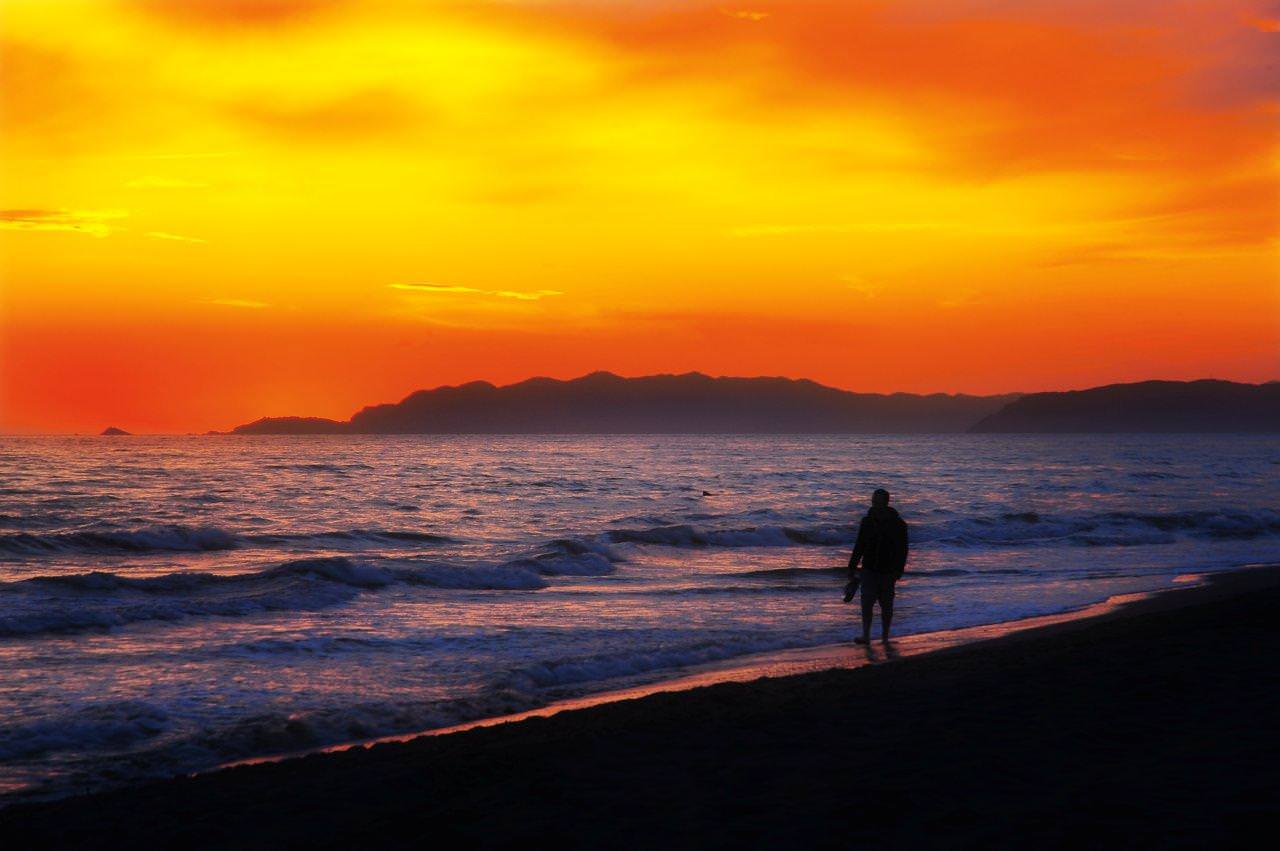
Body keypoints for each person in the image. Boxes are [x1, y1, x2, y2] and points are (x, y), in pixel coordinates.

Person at [846, 488, 909, 644]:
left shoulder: (898, 524)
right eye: (873, 502)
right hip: (868, 569)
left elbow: (903, 550)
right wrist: (852, 566)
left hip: (888, 571)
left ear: (886, 503)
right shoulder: (867, 521)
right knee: (866, 604)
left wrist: (899, 570)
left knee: (886, 606)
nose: (875, 505)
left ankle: (885, 638)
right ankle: (866, 636)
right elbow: (859, 544)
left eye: (878, 502)